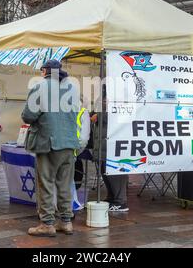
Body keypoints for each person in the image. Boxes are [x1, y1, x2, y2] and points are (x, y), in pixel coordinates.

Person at [22, 59, 80, 237]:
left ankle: (47, 223)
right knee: (64, 184)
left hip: (48, 143)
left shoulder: (40, 87)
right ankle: (66, 221)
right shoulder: (72, 88)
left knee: (46, 183)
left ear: (45, 71)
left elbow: (28, 116)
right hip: (69, 143)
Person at [92, 105, 129, 212]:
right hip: (102, 146)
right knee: (105, 173)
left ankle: (120, 201)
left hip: (112, 146)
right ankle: (112, 198)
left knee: (115, 175)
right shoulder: (103, 97)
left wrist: (99, 116)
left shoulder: (120, 98)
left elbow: (121, 115)